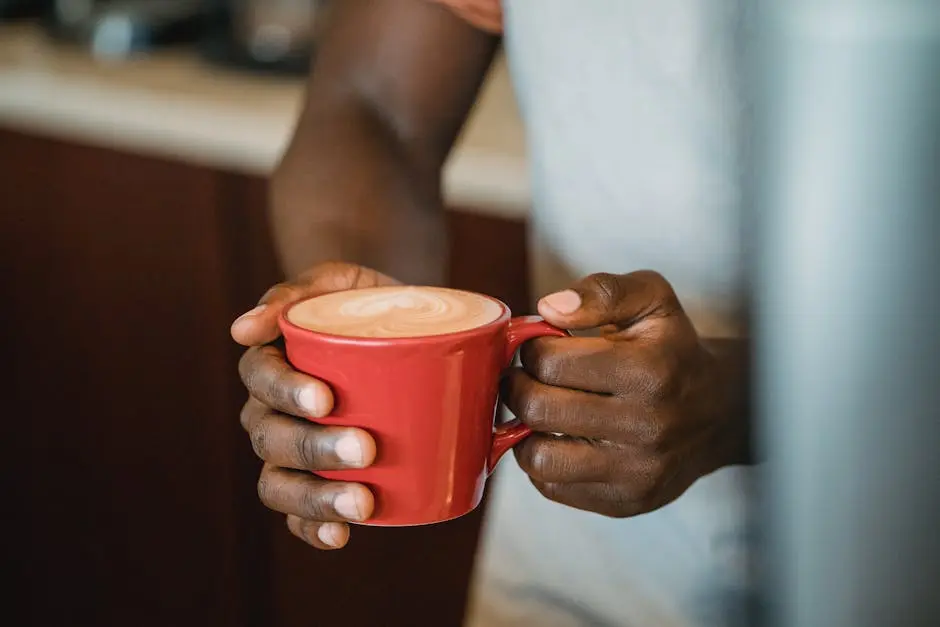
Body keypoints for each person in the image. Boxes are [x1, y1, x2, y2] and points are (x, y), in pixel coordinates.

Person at [230, 1, 756, 625]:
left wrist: (748, 398)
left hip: (881, 539)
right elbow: (374, 112)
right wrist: (357, 338)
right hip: (574, 531)